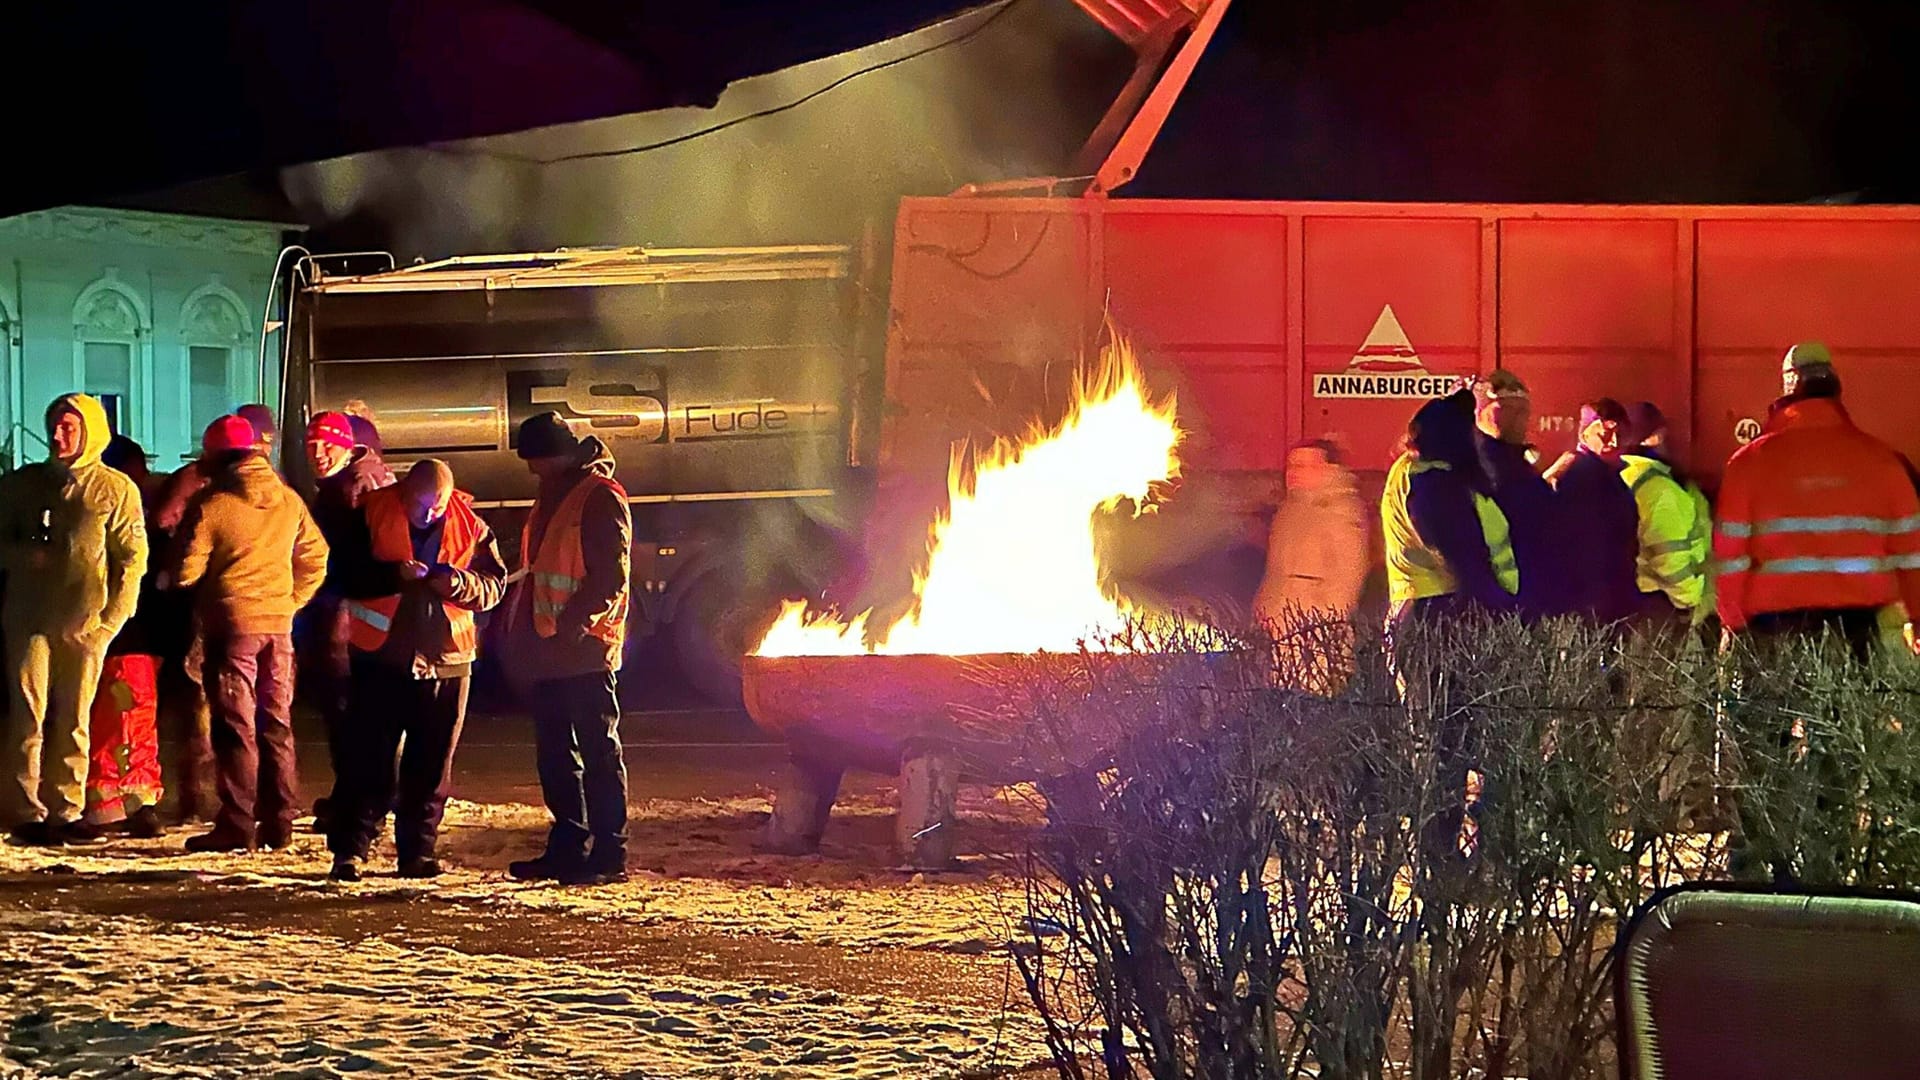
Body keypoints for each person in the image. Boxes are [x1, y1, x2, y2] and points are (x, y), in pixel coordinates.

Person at [327, 460, 507, 881]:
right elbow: (342, 575)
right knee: (367, 760)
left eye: (437, 506)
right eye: (420, 507)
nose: (428, 515)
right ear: (404, 493)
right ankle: (351, 850)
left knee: (431, 767)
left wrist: (456, 584)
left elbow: (494, 587)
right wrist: (393, 576)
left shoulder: (473, 526)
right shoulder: (370, 514)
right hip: (380, 657)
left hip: (446, 662)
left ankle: (417, 854)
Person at [173, 415, 329, 852]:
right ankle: (280, 822)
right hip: (279, 628)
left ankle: (237, 823)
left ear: (217, 455)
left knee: (235, 726)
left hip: (231, 627)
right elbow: (317, 556)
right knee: (276, 724)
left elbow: (187, 571)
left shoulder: (213, 504)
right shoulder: (288, 499)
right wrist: (289, 600)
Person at [0, 394, 148, 845]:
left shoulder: (114, 489)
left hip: (84, 622)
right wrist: (25, 553)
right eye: (55, 426)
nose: (59, 436)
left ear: (90, 431)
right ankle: (26, 807)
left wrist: (111, 621)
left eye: (70, 427)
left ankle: (67, 808)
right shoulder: (24, 485)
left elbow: (132, 557)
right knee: (28, 715)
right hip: (29, 617)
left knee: (74, 717)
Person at [1715, 342, 1920, 656]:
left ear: (1788, 387)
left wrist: (1732, 623)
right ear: (1834, 386)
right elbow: (1911, 553)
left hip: (1774, 630)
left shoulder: (1747, 463)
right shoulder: (1882, 461)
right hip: (1857, 630)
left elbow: (1730, 556)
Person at [504, 412, 633, 887]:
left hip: (583, 648)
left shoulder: (597, 496)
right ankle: (568, 847)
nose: (533, 471)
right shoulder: (559, 491)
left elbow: (611, 576)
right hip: (552, 646)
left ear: (554, 456)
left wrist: (575, 625)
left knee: (597, 753)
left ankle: (608, 853)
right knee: (558, 753)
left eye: (536, 462)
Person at [301, 410, 396, 833]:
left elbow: (340, 559)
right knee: (361, 714)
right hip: (366, 615)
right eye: (311, 447)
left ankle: (362, 801)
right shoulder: (368, 479)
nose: (318, 455)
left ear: (348, 446)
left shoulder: (349, 490)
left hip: (346, 615)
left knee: (349, 714)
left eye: (327, 446)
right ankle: (358, 795)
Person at [1382, 388, 1521, 629]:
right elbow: (1463, 556)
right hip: (1439, 613)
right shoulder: (1435, 483)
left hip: (1415, 608)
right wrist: (1500, 607)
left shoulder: (1409, 469)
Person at [86, 435, 167, 837]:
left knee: (119, 717)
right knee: (126, 717)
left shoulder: (99, 510)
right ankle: (127, 800)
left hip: (121, 639)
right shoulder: (141, 515)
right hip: (130, 639)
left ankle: (120, 801)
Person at [1253, 440, 1367, 690]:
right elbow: (1276, 572)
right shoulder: (1290, 510)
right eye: (1292, 465)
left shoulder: (1341, 510)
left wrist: (1326, 626)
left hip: (1315, 635)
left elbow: (1348, 576)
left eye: (1304, 465)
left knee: (1314, 702)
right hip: (1282, 629)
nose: (1293, 472)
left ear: (1327, 469)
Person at [148, 451, 218, 822]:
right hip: (220, 612)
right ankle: (211, 799)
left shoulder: (197, 480)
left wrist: (176, 571)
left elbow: (163, 519)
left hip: (198, 611)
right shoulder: (270, 490)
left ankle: (198, 798)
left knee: (199, 707)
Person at [1473, 371, 1565, 619]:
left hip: (1529, 594)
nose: (1516, 419)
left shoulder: (1515, 462)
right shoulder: (1479, 466)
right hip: (1503, 601)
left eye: (1522, 411)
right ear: (1479, 412)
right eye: (1503, 410)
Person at [1545, 399, 1641, 624]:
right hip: (1592, 599)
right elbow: (1584, 544)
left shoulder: (1608, 474)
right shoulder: (1579, 475)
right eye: (1605, 433)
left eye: (1620, 433)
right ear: (1585, 434)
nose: (1615, 441)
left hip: (1610, 594)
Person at [1619, 402, 1714, 628]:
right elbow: (1669, 555)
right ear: (1656, 437)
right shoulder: (1661, 490)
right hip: (1659, 605)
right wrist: (1688, 600)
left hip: (1628, 597)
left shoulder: (1620, 476)